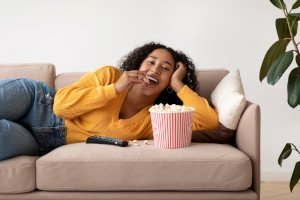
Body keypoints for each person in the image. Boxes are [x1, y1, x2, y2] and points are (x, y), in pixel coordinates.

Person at [0, 42, 218, 161]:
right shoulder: (110, 76)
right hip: (36, 102)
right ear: (138, 65)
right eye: (150, 62)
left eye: (166, 68)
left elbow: (209, 122)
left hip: (39, 141)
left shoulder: (155, 118)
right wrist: (115, 89)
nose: (155, 69)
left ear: (168, 82)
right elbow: (61, 105)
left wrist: (179, 84)